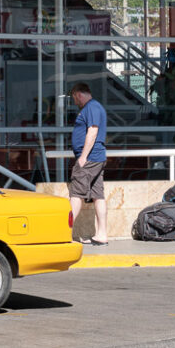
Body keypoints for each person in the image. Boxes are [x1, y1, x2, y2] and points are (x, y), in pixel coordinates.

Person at [69, 82, 108, 246]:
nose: (74, 102)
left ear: (78, 94)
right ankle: (102, 235)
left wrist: (83, 156)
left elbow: (93, 131)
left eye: (74, 98)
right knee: (98, 195)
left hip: (90, 158)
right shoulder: (94, 107)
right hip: (96, 158)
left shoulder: (91, 107)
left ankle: (64, 232)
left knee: (76, 193)